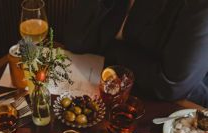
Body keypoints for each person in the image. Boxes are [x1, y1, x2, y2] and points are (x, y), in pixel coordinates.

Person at [64, 0, 208, 107]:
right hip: (111, 81)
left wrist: (113, 51)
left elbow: (171, 86)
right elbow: (75, 40)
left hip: (176, 106)